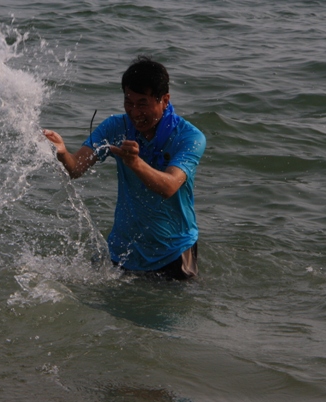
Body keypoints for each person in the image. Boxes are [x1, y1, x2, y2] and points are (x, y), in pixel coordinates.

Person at [43, 56, 206, 280]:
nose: (135, 112)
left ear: (164, 100)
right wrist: (62, 153)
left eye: (142, 104)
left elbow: (169, 187)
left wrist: (135, 163)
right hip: (122, 249)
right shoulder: (116, 127)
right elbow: (76, 169)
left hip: (173, 252)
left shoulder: (189, 137)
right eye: (129, 102)